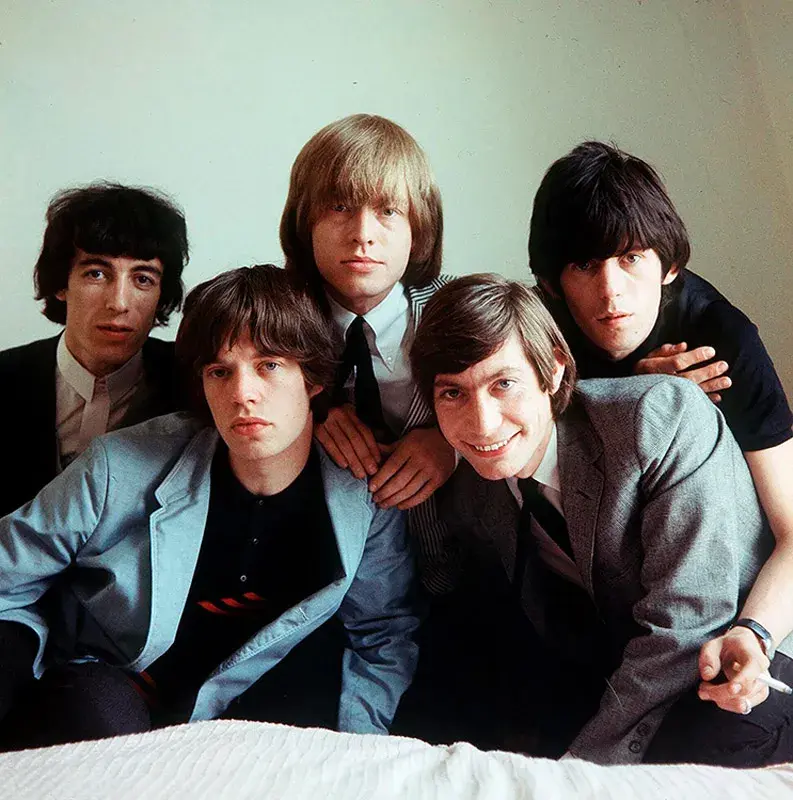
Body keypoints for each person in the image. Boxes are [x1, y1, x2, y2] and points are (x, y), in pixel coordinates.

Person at [0, 264, 419, 751]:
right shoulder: (117, 466)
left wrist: (358, 749)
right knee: (97, 711)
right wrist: (21, 655)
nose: (242, 394)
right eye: (220, 371)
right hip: (113, 691)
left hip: (252, 704)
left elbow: (382, 636)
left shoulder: (364, 495)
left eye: (269, 366)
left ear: (312, 379)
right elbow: (7, 572)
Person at [409, 273, 793, 766]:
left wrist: (578, 771)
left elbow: (686, 626)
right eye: (452, 394)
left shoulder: (658, 419)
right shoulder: (474, 492)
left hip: (742, 658)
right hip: (625, 663)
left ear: (553, 370)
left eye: (504, 384)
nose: (482, 423)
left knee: (717, 739)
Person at [528, 141, 793, 714]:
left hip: (738, 596)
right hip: (599, 605)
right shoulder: (539, 329)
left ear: (669, 265)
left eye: (631, 258)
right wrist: (635, 397)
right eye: (584, 265)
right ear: (552, 283)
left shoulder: (722, 338)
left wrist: (756, 633)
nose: (610, 290)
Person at [281, 113, 456, 594]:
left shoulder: (461, 311)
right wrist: (309, 414)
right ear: (303, 221)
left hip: (469, 574)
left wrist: (453, 445)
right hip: (330, 588)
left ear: (419, 228)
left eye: (388, 211)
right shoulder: (273, 322)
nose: (363, 233)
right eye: (339, 206)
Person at [0, 183, 188, 518]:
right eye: (97, 273)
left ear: (162, 293)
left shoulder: (192, 384)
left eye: (143, 279)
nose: (119, 303)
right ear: (61, 284)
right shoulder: (5, 376)